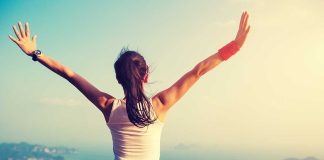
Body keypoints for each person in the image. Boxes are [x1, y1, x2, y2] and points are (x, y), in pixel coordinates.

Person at [9, 11, 250, 160]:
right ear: (146, 75)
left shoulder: (107, 106)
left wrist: (35, 53)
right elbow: (199, 71)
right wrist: (235, 46)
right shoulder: (161, 105)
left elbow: (69, 74)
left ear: (118, 79)